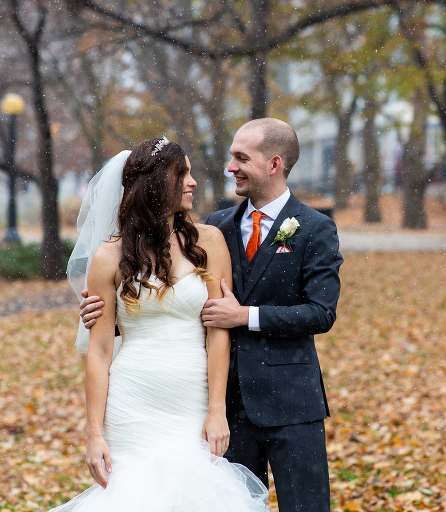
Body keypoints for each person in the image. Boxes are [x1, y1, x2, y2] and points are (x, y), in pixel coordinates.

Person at [81, 119, 343, 512]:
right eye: (230, 157)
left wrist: (245, 316)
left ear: (274, 164)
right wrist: (102, 313)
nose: (229, 168)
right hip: (219, 404)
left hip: (289, 398)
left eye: (241, 158)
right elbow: (165, 309)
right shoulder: (217, 227)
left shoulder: (313, 229)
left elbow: (321, 312)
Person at [57, 138, 268, 511]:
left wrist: (216, 409)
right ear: (155, 183)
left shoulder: (210, 241)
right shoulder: (108, 257)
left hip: (192, 397)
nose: (193, 182)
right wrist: (93, 434)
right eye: (182, 174)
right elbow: (100, 352)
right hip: (132, 401)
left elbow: (218, 333)